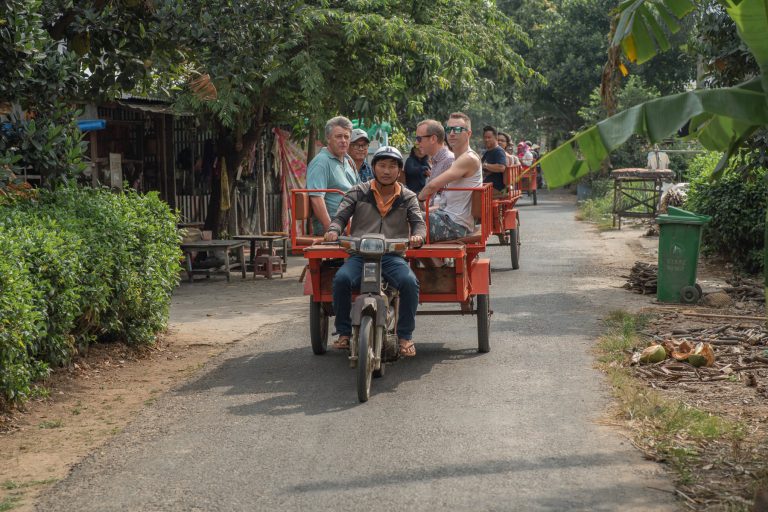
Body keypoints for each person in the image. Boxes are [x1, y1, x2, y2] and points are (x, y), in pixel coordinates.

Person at [324, 146, 425, 357]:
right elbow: (340, 217)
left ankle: (405, 337)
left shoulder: (408, 197)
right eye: (381, 165)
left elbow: (418, 223)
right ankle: (343, 333)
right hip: (360, 255)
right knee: (341, 279)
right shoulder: (358, 191)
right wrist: (334, 230)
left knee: (409, 283)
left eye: (392, 166)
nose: (386, 171)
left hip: (391, 256)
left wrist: (418, 236)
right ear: (373, 167)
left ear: (399, 171)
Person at [416, 112, 482, 242]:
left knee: (404, 219)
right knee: (408, 216)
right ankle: (432, 262)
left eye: (457, 129)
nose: (451, 133)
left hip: (455, 225)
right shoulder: (458, 158)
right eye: (448, 129)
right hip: (449, 218)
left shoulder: (468, 158)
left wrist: (418, 199)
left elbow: (432, 186)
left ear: (468, 133)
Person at [306, 116, 360, 234]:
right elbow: (316, 199)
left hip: (353, 224)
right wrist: (331, 230)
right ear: (328, 138)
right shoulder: (321, 162)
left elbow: (360, 191)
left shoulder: (348, 160)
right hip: (337, 228)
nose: (343, 141)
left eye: (346, 136)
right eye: (338, 136)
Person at [480, 125, 509, 193]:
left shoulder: (499, 151)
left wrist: (484, 165)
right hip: (486, 186)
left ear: (496, 138)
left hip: (495, 188)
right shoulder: (487, 152)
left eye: (489, 137)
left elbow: (501, 167)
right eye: (485, 137)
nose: (486, 140)